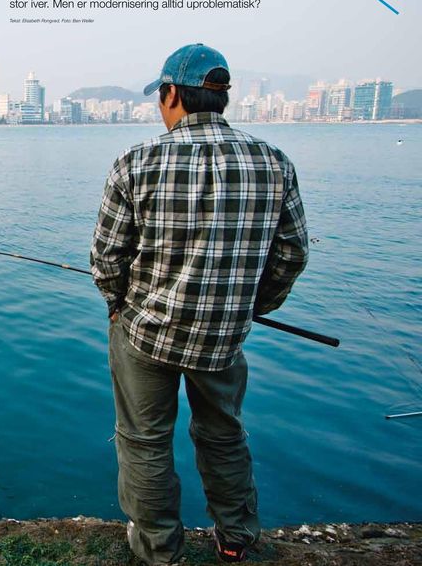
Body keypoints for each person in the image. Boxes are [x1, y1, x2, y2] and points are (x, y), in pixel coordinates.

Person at [89, 44, 309, 564]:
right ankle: (235, 540)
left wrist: (118, 306)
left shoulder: (135, 162)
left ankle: (159, 550)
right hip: (224, 337)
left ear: (171, 95)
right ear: (222, 98)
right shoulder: (274, 162)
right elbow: (292, 253)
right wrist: (252, 306)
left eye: (159, 97)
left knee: (144, 441)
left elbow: (106, 258)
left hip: (145, 331)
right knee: (224, 436)